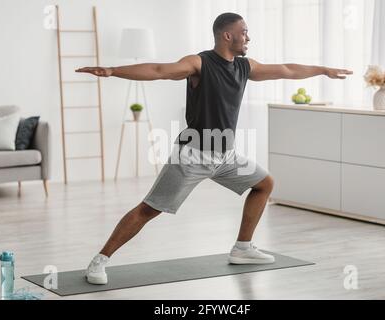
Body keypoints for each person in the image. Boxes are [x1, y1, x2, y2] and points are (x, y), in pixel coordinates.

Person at [76, 12, 353, 285]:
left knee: (264, 184)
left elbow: (287, 69)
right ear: (227, 35)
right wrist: (113, 71)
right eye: (244, 32)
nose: (249, 37)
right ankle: (99, 261)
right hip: (193, 155)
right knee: (149, 209)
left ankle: (243, 248)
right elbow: (159, 71)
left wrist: (323, 70)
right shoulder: (199, 63)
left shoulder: (245, 66)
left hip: (226, 155)